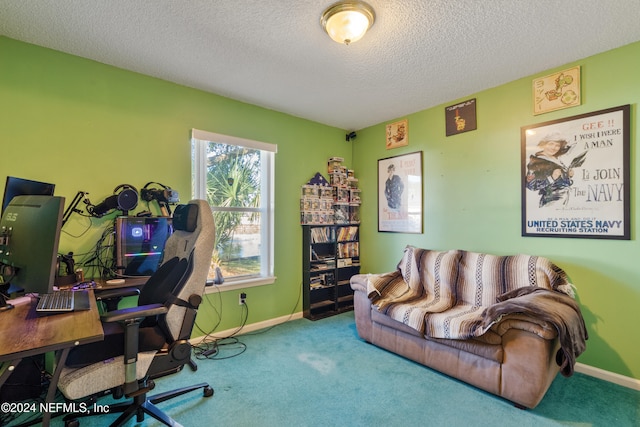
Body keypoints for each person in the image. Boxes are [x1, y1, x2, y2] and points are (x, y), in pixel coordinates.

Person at [525, 133, 580, 207]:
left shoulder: (555, 159)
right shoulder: (536, 162)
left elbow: (560, 180)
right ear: (544, 144)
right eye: (551, 144)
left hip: (564, 199)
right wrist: (552, 178)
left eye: (557, 145)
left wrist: (568, 175)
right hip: (551, 201)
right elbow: (531, 186)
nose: (554, 148)